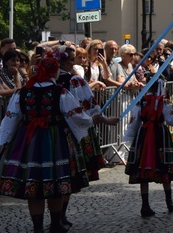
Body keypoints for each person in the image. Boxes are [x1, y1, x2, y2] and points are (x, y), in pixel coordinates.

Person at [0, 52, 93, 233]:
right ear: (54, 72)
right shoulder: (60, 92)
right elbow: (76, 115)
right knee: (54, 182)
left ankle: (38, 227)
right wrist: (90, 120)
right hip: (54, 139)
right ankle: (56, 223)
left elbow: (11, 118)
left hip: (28, 140)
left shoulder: (22, 92)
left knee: (34, 185)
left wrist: (5, 139)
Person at [54, 45, 118, 229]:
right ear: (67, 61)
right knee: (69, 175)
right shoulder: (75, 81)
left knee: (57, 175)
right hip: (73, 132)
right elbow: (88, 105)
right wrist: (101, 119)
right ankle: (60, 216)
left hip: (50, 133)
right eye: (73, 58)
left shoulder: (44, 82)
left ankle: (57, 217)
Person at [123, 74, 173, 217]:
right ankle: (168, 201)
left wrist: (130, 136)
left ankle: (146, 205)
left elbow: (134, 120)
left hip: (144, 134)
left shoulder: (142, 101)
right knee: (164, 167)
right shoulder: (163, 102)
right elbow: (172, 120)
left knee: (143, 168)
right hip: (159, 134)